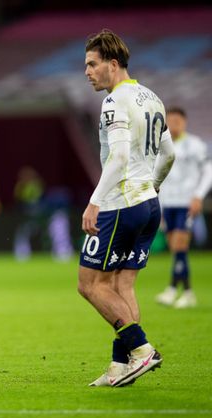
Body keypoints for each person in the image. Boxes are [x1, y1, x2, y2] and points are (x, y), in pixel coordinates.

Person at [78, 30, 175, 387]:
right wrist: (154, 186)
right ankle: (121, 365)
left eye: (92, 64)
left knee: (90, 284)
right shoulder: (153, 98)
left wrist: (95, 201)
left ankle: (141, 348)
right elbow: (169, 154)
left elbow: (118, 158)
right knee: (122, 284)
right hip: (149, 204)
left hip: (121, 205)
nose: (87, 72)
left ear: (113, 64)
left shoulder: (114, 102)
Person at [155, 107, 212, 308]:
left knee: (180, 245)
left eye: (178, 121)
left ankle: (175, 290)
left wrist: (198, 196)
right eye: (170, 121)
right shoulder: (161, 147)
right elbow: (159, 179)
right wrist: (158, 206)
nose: (174, 124)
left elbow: (208, 171)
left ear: (184, 122)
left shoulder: (194, 145)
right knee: (176, 248)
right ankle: (184, 291)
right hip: (168, 203)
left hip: (186, 203)